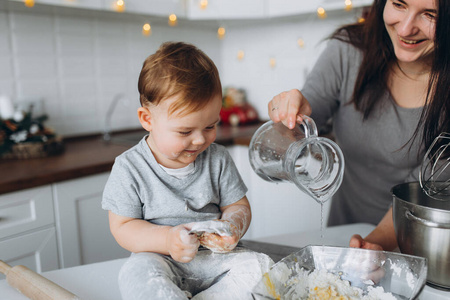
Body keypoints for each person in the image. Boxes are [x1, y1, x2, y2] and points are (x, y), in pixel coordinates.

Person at [268, 0, 449, 250]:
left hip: (415, 244)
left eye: (430, 14)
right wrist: (289, 115)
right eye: (398, 4)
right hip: (344, 236)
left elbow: (421, 191)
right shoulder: (348, 50)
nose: (406, 29)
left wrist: (371, 245)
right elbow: (300, 126)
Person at [102, 42, 273, 300]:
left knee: (260, 267)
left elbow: (239, 207)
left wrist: (232, 226)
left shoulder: (217, 159)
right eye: (185, 131)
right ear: (148, 119)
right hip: (160, 260)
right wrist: (168, 240)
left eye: (210, 126)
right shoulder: (130, 168)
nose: (199, 141)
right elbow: (122, 227)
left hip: (215, 261)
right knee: (135, 273)